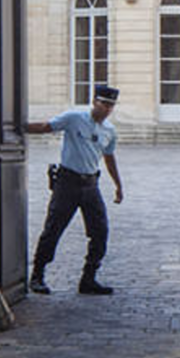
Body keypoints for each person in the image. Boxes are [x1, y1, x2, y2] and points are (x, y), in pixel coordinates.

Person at [24, 83, 124, 295]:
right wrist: (13, 126)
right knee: (53, 229)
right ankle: (37, 276)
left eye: (111, 106)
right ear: (94, 102)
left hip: (90, 185)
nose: (106, 109)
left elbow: (109, 157)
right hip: (67, 184)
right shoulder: (74, 118)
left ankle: (88, 279)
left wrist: (118, 185)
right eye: (104, 103)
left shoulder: (109, 130)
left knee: (100, 232)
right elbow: (45, 127)